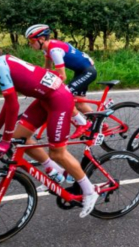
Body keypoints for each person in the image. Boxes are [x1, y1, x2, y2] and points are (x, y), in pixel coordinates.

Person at [0, 53, 99, 217]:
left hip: (58, 99)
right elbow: (7, 105)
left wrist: (5, 139)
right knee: (20, 139)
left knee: (58, 152)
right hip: (45, 97)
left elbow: (12, 106)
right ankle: (55, 171)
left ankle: (90, 191)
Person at [25, 24, 96, 138]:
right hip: (82, 71)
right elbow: (47, 69)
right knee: (80, 104)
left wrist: (49, 87)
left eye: (31, 40)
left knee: (65, 97)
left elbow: (62, 76)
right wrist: (38, 81)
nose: (30, 44)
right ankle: (99, 124)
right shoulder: (46, 49)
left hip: (87, 72)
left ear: (42, 39)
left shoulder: (54, 51)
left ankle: (83, 124)